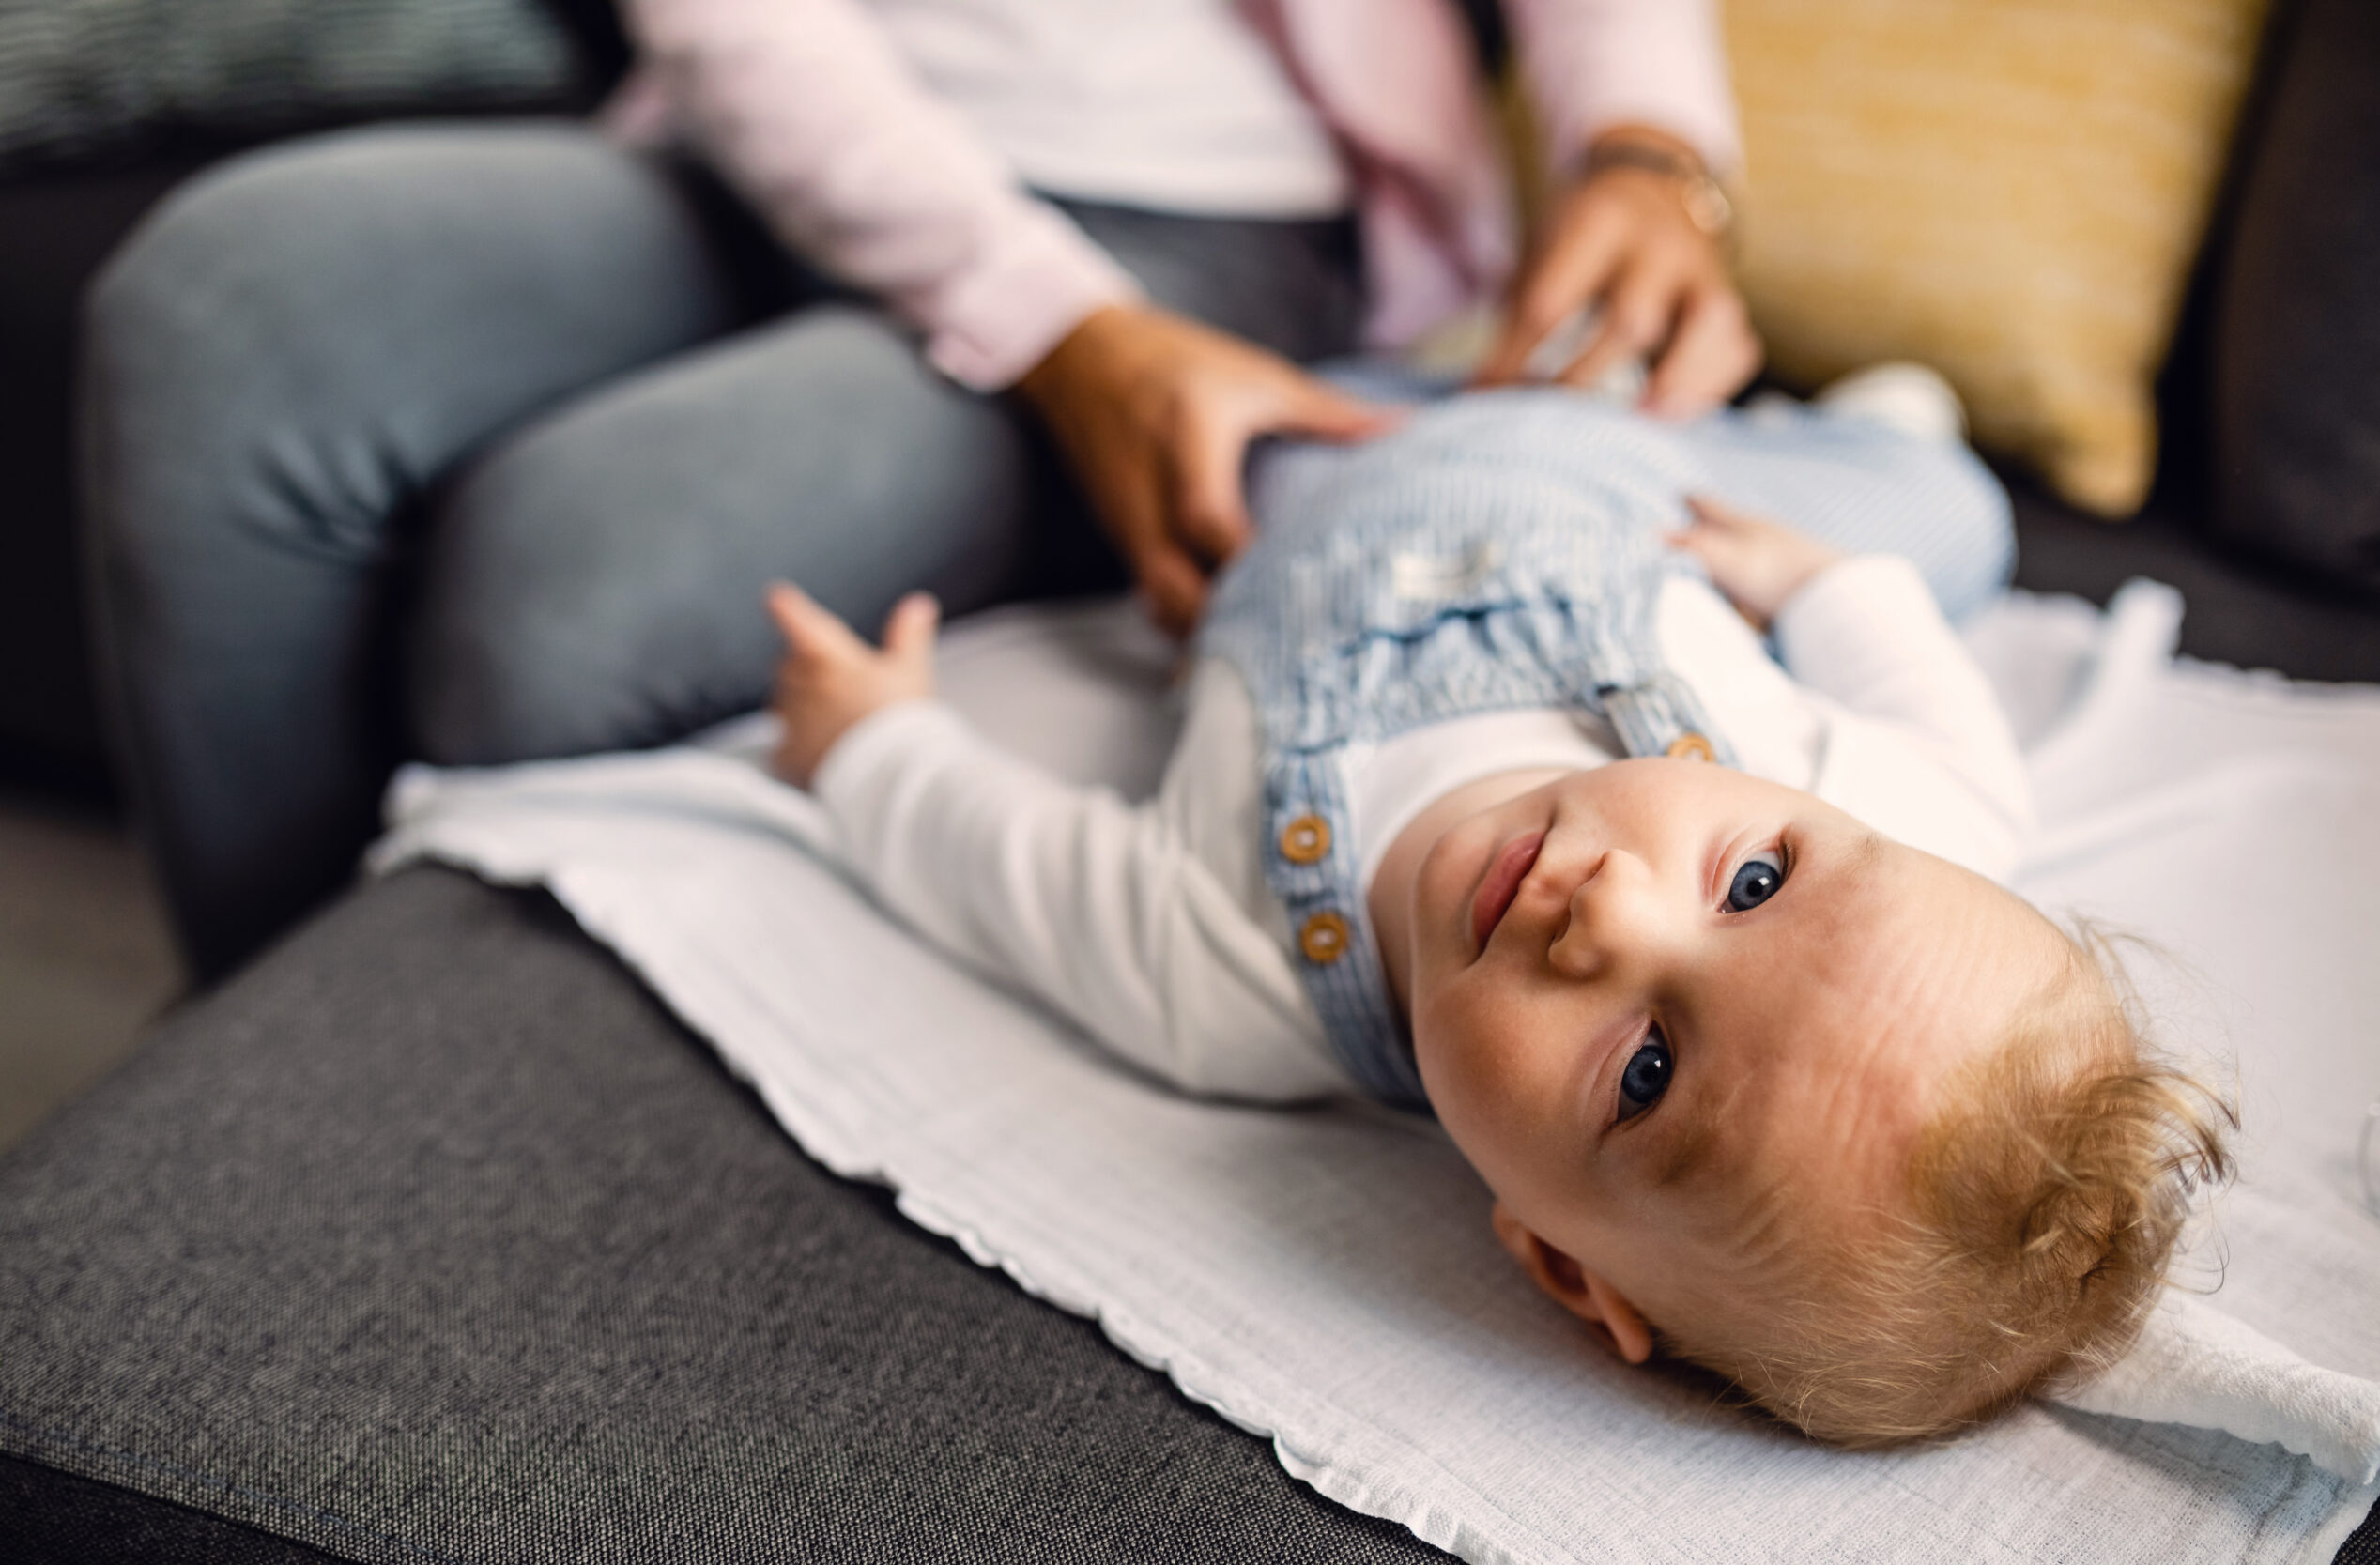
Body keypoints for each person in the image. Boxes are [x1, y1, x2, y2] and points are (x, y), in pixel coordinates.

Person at [84, 0, 1760, 983]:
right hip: (756, 123)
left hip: (1202, 210)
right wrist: (1041, 323)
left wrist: (1646, 150)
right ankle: (256, 1049)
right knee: (216, 306)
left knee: (565, 589)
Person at [759, 370, 2234, 1444]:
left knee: (1228, 456)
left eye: (1648, 1070)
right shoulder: (1908, 818)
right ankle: (1871, 426)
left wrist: (871, 744)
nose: (1610, 913)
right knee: (1942, 518)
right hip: (1646, 476)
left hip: (1342, 456)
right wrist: (1822, 582)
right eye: (1755, 879)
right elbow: (1945, 728)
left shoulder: (1234, 977)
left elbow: (998, 860)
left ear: (1551, 1255)